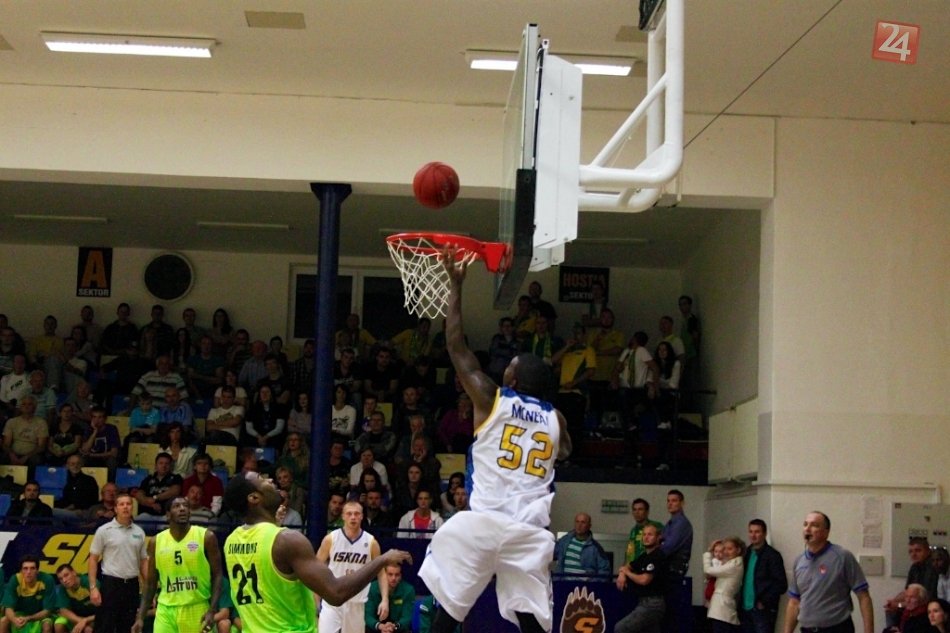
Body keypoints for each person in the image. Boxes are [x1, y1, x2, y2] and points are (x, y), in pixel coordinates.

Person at [419, 246, 571, 633]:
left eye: (510, 366)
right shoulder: (556, 419)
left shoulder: (491, 398)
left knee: (449, 608)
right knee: (530, 619)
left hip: (483, 523)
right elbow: (565, 451)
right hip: (528, 532)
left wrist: (456, 285)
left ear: (513, 380)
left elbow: (456, 346)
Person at [223, 472, 411, 633]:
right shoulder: (286, 540)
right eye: (261, 479)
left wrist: (273, 524)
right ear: (254, 498)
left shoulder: (231, 541)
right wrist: (382, 560)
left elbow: (268, 583)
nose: (270, 480)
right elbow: (336, 593)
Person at [132, 497, 223, 633]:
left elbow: (217, 575)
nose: (182, 509)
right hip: (166, 610)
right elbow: (150, 583)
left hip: (196, 607)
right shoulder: (156, 542)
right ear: (168, 514)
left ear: (190, 512)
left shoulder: (206, 537)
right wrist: (140, 617)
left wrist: (212, 610)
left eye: (185, 506)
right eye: (177, 506)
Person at [783, 511, 874, 633]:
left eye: (814, 525)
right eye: (805, 524)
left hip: (837, 628)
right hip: (807, 629)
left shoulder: (842, 557)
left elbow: (863, 597)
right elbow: (794, 602)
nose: (807, 529)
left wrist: (869, 631)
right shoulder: (799, 561)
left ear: (826, 532)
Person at [317, 500, 388, 633]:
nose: (353, 517)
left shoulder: (371, 542)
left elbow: (381, 573)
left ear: (362, 516)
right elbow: (316, 570)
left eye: (356, 514)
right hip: (332, 601)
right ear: (343, 516)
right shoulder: (330, 539)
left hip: (356, 602)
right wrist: (314, 599)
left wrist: (385, 600)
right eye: (349, 514)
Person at [87, 492, 148, 633]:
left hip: (132, 586)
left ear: (132, 507)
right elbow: (93, 559)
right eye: (121, 504)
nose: (125, 507)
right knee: (104, 627)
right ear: (115, 509)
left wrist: (148, 588)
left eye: (128, 504)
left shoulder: (139, 532)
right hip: (111, 585)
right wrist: (93, 587)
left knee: (127, 627)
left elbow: (143, 562)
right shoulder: (104, 530)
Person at [614, 523, 667, 633]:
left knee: (620, 628)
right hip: (643, 602)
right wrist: (622, 573)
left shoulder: (657, 556)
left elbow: (644, 580)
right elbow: (627, 566)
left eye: (650, 535)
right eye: (644, 534)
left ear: (658, 537)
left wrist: (627, 573)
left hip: (653, 604)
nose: (646, 537)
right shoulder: (644, 556)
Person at [740, 519, 787, 633]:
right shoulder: (745, 553)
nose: (753, 535)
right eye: (751, 531)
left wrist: (764, 601)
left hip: (762, 610)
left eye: (757, 532)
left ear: (764, 534)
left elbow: (781, 584)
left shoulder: (772, 555)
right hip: (745, 608)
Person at [885, 538, 939, 627]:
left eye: (918, 550)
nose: (913, 554)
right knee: (890, 609)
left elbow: (925, 598)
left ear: (928, 551)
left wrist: (899, 605)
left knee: (896, 611)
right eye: (910, 551)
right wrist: (893, 601)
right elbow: (907, 591)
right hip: (916, 603)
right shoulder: (914, 567)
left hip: (929, 605)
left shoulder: (932, 568)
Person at [0, 555, 56, 633]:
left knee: (47, 626)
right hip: (20, 614)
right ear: (21, 571)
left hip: (41, 615)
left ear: (37, 571)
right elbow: (8, 608)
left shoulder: (47, 580)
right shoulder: (15, 580)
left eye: (32, 568)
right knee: (3, 621)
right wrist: (14, 620)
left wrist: (28, 618)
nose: (29, 572)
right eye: (25, 568)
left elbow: (47, 611)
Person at [704, 537, 745, 633]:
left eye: (730, 549)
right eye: (725, 549)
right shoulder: (731, 563)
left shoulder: (734, 565)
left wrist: (708, 553)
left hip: (722, 609)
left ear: (738, 550)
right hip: (721, 609)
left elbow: (708, 570)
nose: (726, 552)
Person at [553, 512, 611, 577]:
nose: (579, 525)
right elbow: (550, 554)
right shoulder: (564, 541)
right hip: (563, 581)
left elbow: (604, 570)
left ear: (589, 526)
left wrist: (593, 582)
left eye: (583, 522)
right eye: (577, 522)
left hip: (584, 583)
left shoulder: (595, 547)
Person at [364, 563, 416, 633]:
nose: (393, 578)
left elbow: (407, 618)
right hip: (376, 629)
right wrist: (380, 626)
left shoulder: (408, 590)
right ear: (383, 575)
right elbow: (368, 616)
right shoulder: (371, 588)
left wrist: (394, 627)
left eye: (397, 575)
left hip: (397, 630)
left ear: (401, 576)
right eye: (390, 574)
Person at [2, 394, 49, 468]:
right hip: (14, 453)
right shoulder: (12, 422)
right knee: (3, 457)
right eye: (24, 404)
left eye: (30, 404)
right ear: (20, 407)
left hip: (32, 455)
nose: (26, 406)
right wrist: (12, 455)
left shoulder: (41, 422)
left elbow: (41, 446)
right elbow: (6, 444)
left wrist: (26, 457)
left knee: (36, 460)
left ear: (34, 407)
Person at [134, 452, 183, 519]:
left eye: (167, 463)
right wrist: (150, 504)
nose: (164, 466)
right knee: (138, 520)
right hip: (147, 514)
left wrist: (155, 498)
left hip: (167, 515)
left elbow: (175, 491)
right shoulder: (148, 479)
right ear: (156, 465)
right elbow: (139, 495)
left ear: (170, 466)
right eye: (161, 463)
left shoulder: (176, 478)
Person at [52, 454, 100, 521]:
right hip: (66, 510)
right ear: (67, 466)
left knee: (52, 512)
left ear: (82, 465)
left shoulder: (89, 480)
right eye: (72, 464)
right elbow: (65, 499)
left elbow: (91, 500)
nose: (75, 466)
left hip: (82, 511)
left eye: (78, 463)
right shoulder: (65, 480)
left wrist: (70, 507)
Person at [53, 563, 97, 633]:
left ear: (74, 572)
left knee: (87, 630)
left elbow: (105, 610)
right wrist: (80, 621)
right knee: (59, 626)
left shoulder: (89, 583)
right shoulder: (63, 588)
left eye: (66, 575)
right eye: (60, 579)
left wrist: (85, 620)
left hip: (94, 617)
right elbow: (63, 610)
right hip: (77, 617)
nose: (64, 580)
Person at [625, 498, 665, 565]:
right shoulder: (633, 531)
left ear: (647, 512)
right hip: (635, 566)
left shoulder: (656, 526)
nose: (637, 512)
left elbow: (665, 546)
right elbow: (630, 552)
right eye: (634, 509)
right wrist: (626, 566)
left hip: (651, 565)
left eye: (640, 509)